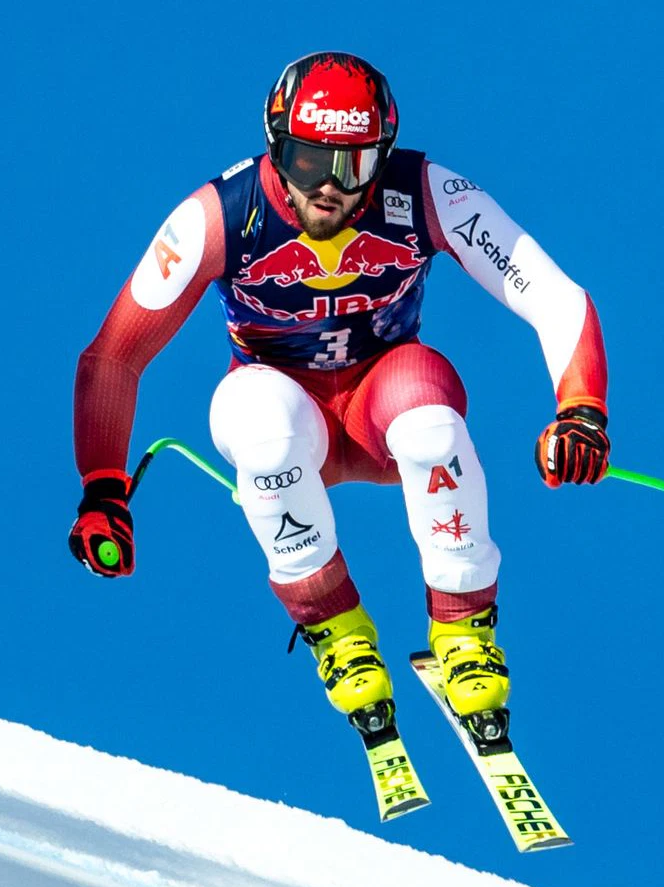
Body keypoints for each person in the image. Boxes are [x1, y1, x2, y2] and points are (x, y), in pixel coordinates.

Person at [67, 52, 611, 729]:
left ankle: (465, 631)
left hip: (383, 404)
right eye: (306, 163)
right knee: (260, 423)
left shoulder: (425, 193)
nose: (328, 189)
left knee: (431, 422)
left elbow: (555, 296)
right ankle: (336, 629)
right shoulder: (218, 216)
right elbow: (116, 354)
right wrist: (104, 487)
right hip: (285, 415)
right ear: (274, 147)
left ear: (380, 158)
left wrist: (581, 410)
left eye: (353, 167)